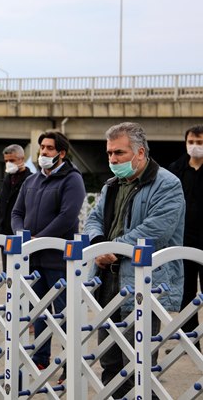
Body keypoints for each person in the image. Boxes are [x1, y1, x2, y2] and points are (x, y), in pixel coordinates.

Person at [85, 122, 184, 398]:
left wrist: (112, 248)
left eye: (119, 153)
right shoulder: (112, 185)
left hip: (143, 282)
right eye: (109, 154)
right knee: (109, 361)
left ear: (140, 153)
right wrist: (97, 245)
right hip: (109, 280)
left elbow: (156, 230)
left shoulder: (167, 184)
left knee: (138, 364)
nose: (113, 160)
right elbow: (93, 219)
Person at [11, 131, 85, 381]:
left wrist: (39, 239)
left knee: (64, 315)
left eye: (49, 148)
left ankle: (68, 366)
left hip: (59, 259)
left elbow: (67, 216)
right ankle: (40, 360)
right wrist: (22, 235)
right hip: (34, 259)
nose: (43, 152)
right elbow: (17, 212)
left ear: (61, 153)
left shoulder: (72, 180)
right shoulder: (31, 181)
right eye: (42, 147)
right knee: (38, 312)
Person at [168, 125, 203, 347]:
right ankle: (190, 340)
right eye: (191, 141)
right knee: (186, 291)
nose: (195, 146)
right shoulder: (175, 169)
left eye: (199, 142)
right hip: (184, 241)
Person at [0, 144, 33, 272]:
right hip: (5, 234)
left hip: (23, 234)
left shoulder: (31, 180)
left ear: (22, 159)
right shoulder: (5, 181)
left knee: (24, 273)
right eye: (6, 161)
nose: (8, 163)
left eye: (12, 160)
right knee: (7, 273)